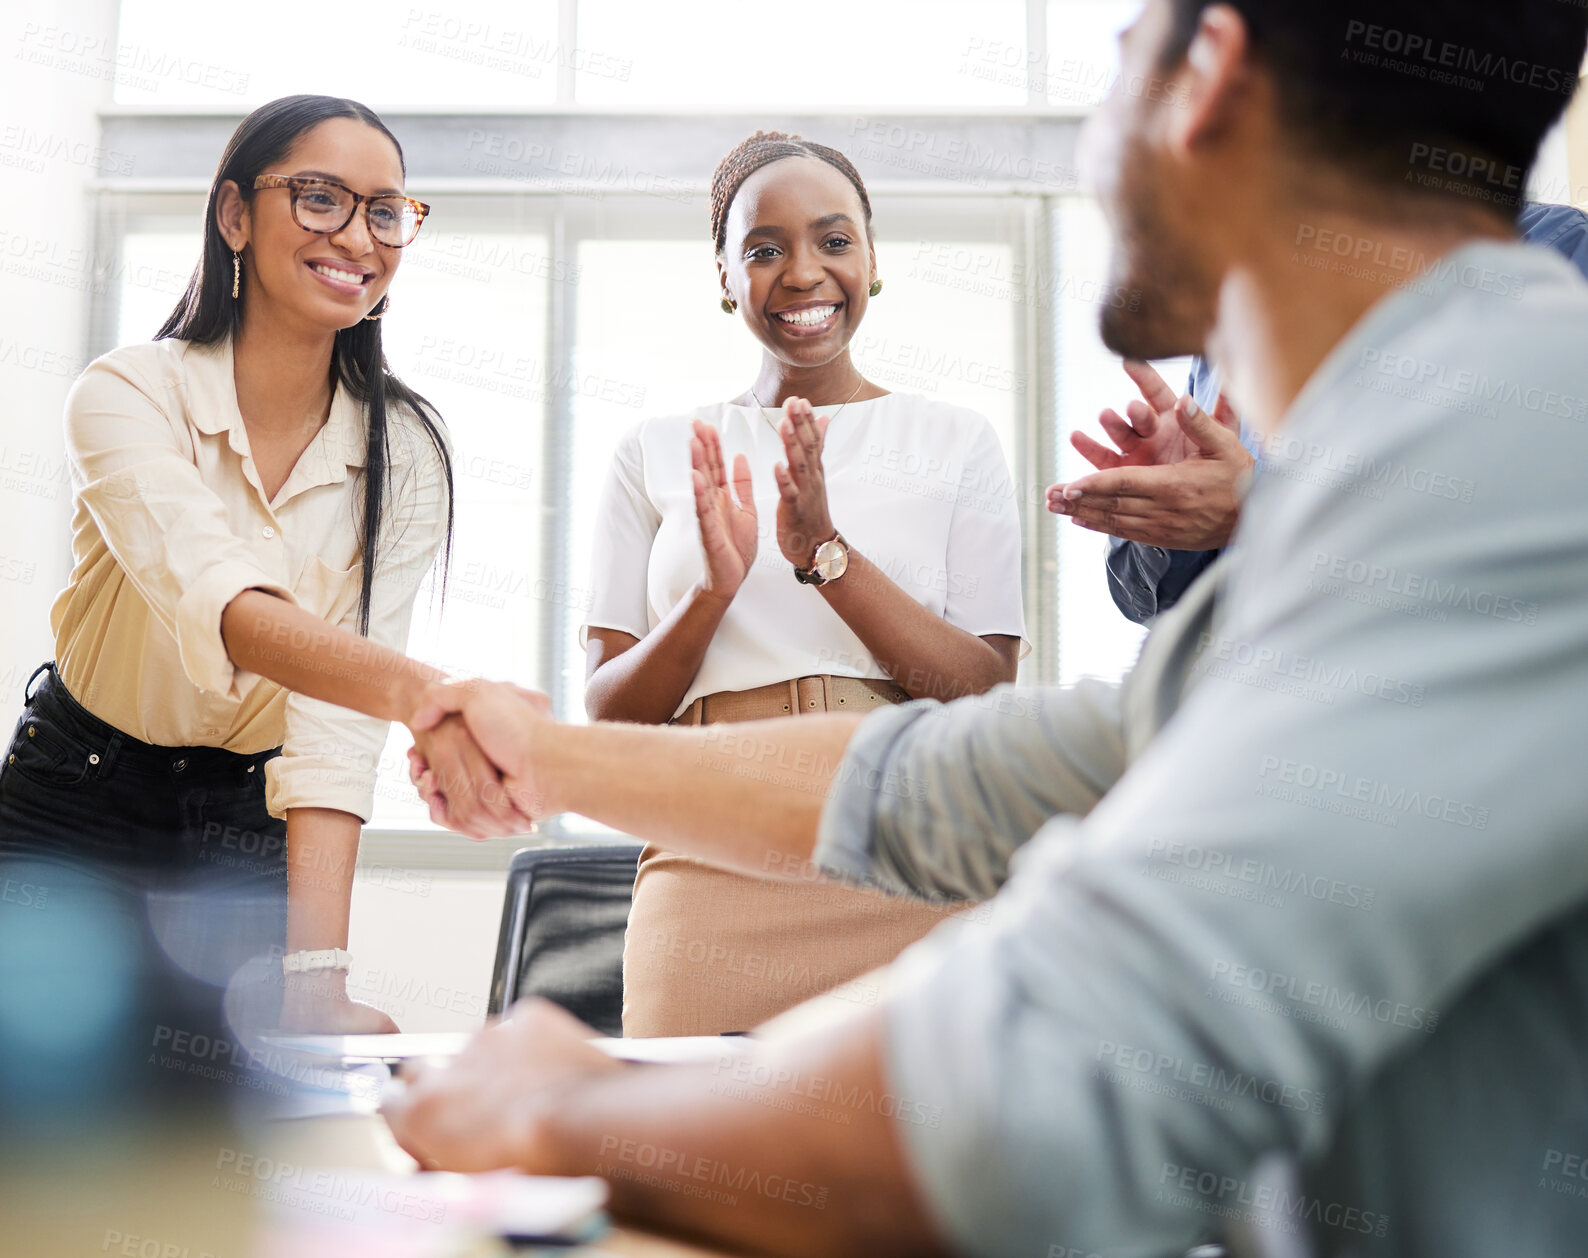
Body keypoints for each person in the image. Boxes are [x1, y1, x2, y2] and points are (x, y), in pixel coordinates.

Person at [385, 3, 1588, 1256]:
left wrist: (572, 1113)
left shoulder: (1510, 444)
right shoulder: (1421, 455)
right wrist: (556, 753)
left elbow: (1035, 1119)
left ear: (1208, 80)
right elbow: (993, 771)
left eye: (1121, 55)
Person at [0, 95, 530, 1034]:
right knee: (41, 1113)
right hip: (74, 795)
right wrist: (433, 696)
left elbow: (332, 724)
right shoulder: (128, 392)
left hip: (248, 816)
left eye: (386, 211)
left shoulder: (405, 448)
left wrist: (317, 978)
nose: (359, 236)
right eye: (321, 198)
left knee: (215, 1129)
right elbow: (226, 605)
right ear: (235, 215)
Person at [576, 132, 1026, 1036]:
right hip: (710, 842)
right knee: (676, 1153)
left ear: (872, 259)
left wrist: (826, 554)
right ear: (723, 275)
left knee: (913, 1161)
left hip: (908, 843)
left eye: (833, 240)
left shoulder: (955, 439)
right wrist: (711, 592)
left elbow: (984, 688)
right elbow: (611, 719)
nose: (803, 272)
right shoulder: (657, 452)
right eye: (764, 248)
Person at [1059, 201, 1588, 624]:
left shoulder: (1558, 254)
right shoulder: (1242, 298)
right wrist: (1166, 515)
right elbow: (1149, 605)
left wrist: (1266, 513)